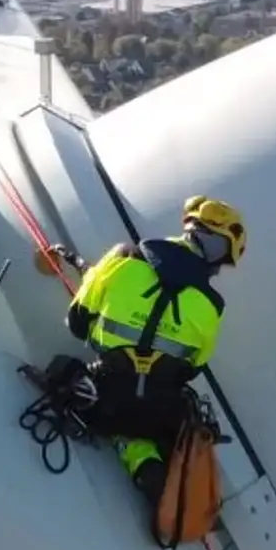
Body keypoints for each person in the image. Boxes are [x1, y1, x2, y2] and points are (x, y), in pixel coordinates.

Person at [65, 196, 245, 505]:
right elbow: (192, 368)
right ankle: (149, 463)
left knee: (106, 409)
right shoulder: (213, 307)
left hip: (101, 393)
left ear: (188, 229)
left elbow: (76, 323)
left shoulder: (122, 257)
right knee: (151, 424)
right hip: (158, 411)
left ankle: (140, 458)